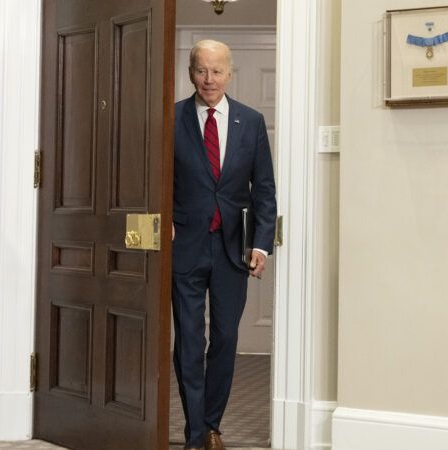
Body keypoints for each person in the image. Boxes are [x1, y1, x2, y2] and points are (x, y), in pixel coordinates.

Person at [171, 39, 277, 450]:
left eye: (217, 71)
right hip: (186, 246)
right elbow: (154, 178)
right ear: (190, 72)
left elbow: (264, 189)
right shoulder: (172, 117)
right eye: (201, 70)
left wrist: (262, 244)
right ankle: (196, 433)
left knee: (227, 338)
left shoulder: (250, 122)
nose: (209, 79)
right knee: (190, 340)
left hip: (234, 248)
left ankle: (212, 423)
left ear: (229, 73)